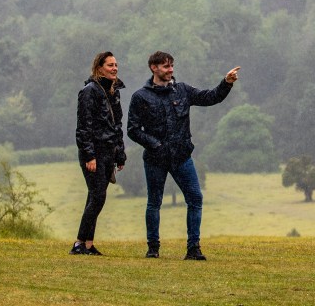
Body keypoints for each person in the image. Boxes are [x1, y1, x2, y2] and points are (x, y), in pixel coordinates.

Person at [127, 51, 240, 260]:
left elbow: (210, 97)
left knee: (195, 198)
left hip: (181, 156)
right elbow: (133, 130)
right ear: (154, 67)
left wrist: (226, 83)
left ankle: (193, 248)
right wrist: (155, 144)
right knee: (154, 202)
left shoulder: (183, 90)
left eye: (172, 66)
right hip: (155, 158)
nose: (170, 70)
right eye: (166, 66)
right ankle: (153, 248)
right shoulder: (140, 97)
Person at [71, 51, 127, 256]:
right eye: (110, 65)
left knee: (95, 197)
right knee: (97, 197)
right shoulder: (89, 91)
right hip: (94, 153)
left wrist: (120, 154)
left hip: (108, 153)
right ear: (99, 67)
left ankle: (88, 244)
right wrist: (89, 155)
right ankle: (78, 243)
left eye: (116, 65)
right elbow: (83, 127)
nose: (115, 68)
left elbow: (116, 125)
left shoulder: (114, 92)